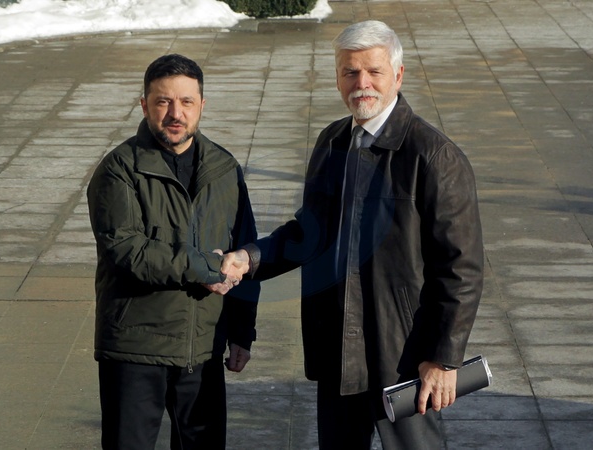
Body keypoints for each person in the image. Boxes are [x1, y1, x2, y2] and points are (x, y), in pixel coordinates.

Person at [224, 20, 484, 449]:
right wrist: (250, 258)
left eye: (374, 71)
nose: (362, 83)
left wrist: (442, 357)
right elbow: (308, 233)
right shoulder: (332, 141)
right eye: (350, 72)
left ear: (398, 75)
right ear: (337, 77)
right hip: (338, 351)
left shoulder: (434, 156)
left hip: (402, 355)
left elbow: (463, 270)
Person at [87, 53, 258, 450]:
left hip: (202, 347)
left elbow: (244, 252)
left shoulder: (224, 168)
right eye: (163, 101)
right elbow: (127, 250)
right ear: (144, 104)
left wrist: (242, 332)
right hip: (135, 348)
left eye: (186, 102)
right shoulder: (119, 169)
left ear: (202, 105)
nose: (175, 113)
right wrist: (206, 267)